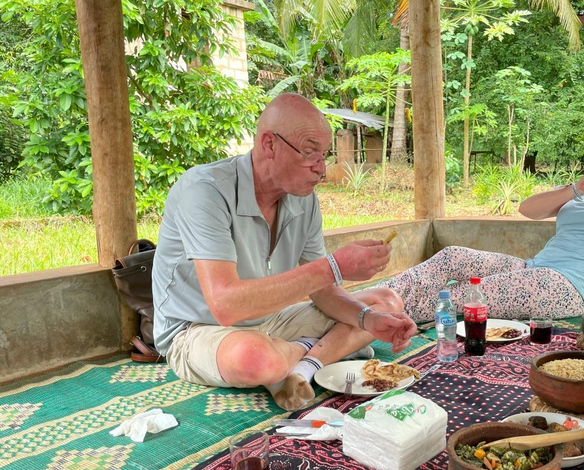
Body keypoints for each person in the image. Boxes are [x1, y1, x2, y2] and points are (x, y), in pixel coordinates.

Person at [152, 93, 417, 411]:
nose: (321, 169)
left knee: (385, 303)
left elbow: (322, 292)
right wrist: (334, 266)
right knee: (256, 358)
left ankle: (303, 368)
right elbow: (225, 306)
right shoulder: (204, 191)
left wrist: (367, 320)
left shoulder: (303, 199)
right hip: (198, 329)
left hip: (272, 318)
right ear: (269, 145)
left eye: (324, 156)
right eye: (309, 153)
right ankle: (317, 351)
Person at [380, 130, 584, 322]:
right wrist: (579, 187)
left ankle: (372, 314)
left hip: (566, 288)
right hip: (534, 268)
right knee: (452, 256)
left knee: (455, 297)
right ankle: (377, 296)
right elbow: (528, 210)